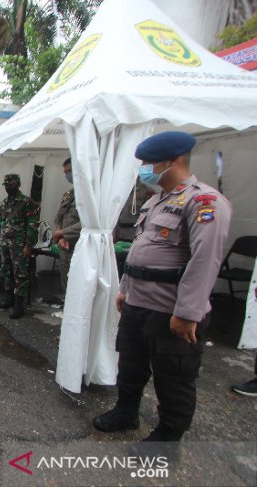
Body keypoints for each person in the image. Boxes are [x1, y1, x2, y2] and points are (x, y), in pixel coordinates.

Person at [92, 131, 232, 458]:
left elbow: (205, 260)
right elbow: (142, 251)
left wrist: (188, 313)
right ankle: (126, 413)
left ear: (172, 161)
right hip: (139, 304)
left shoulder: (203, 201)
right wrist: (126, 290)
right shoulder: (155, 201)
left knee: (174, 377)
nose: (144, 169)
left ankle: (167, 440)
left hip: (170, 310)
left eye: (148, 163)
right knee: (130, 365)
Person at [0, 174, 39, 319]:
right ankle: (9, 298)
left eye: (11, 185)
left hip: (19, 244)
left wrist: (28, 245)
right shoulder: (3, 203)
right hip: (5, 243)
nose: (8, 187)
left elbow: (32, 224)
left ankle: (19, 304)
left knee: (20, 273)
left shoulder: (26, 202)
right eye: (6, 185)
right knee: (6, 270)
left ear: (18, 184)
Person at [52, 158, 81, 292]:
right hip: (65, 245)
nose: (68, 175)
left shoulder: (89, 194)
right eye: (66, 172)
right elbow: (59, 217)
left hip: (79, 246)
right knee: (66, 282)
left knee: (78, 284)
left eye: (70, 171)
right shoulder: (69, 194)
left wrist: (63, 233)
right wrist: (60, 235)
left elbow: (88, 224)